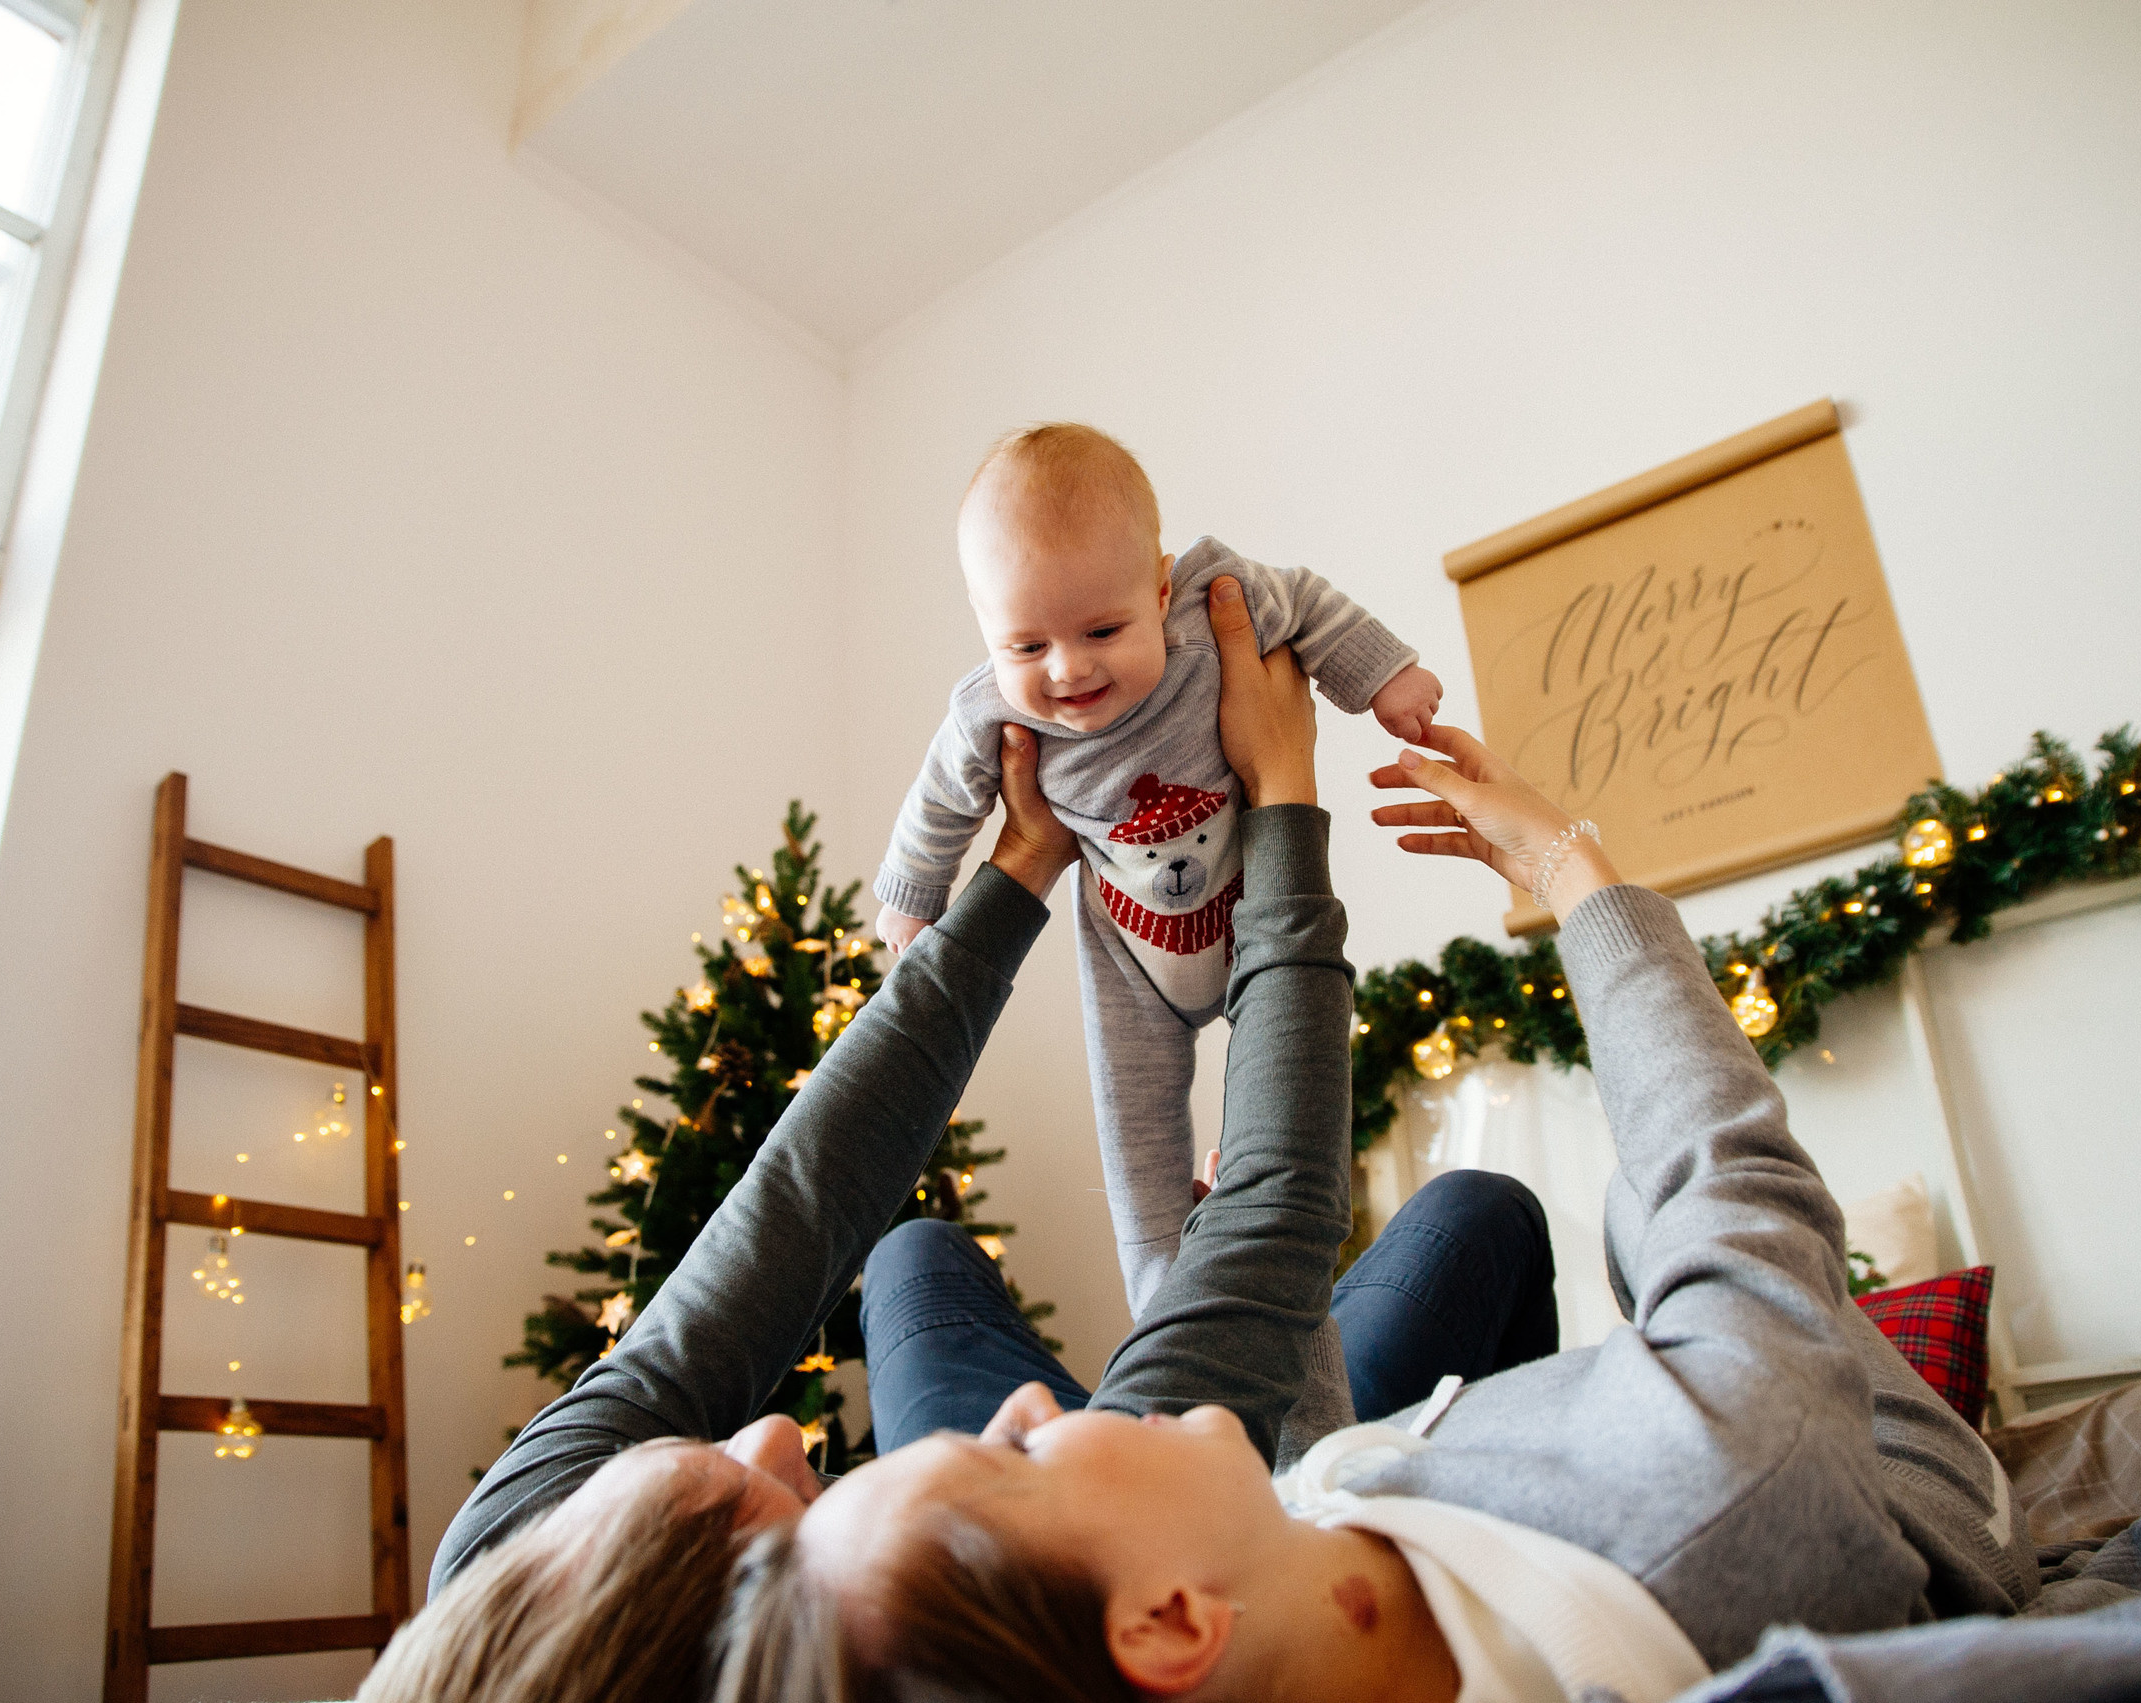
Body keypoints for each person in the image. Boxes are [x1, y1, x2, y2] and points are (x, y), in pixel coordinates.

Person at [375, 577, 2029, 1703]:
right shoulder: (1705, 1492)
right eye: (772, 1516)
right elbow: (1285, 1223)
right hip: (1229, 1510)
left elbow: (792, 1206)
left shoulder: (505, 1578)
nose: (786, 1438)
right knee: (1456, 1221)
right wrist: (1300, 805)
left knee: (915, 1250)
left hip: (1198, 1507)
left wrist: (1019, 871)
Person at [869, 422, 1442, 1314]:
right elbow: (940, 801)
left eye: (1103, 628)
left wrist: (1381, 676)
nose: (1068, 668)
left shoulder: (1215, 605)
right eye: (1026, 646)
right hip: (1129, 958)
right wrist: (914, 896)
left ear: (1161, 588)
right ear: (988, 631)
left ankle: (1281, 1264)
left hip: (1259, 919)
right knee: (1136, 1145)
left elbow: (1307, 603)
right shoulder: (987, 712)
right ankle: (1159, 1304)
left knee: (1288, 1107)